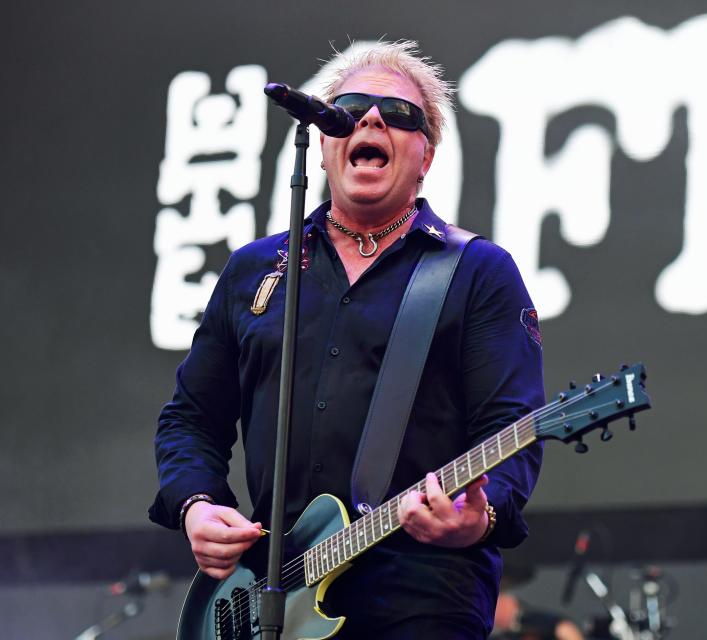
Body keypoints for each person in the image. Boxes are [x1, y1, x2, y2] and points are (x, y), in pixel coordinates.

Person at [148, 40, 544, 639]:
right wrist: (197, 504)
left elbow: (512, 428)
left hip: (421, 595)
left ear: (425, 155)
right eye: (352, 106)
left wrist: (480, 517)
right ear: (326, 141)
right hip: (274, 596)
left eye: (399, 114)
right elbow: (191, 417)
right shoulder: (256, 271)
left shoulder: (476, 272)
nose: (371, 119)